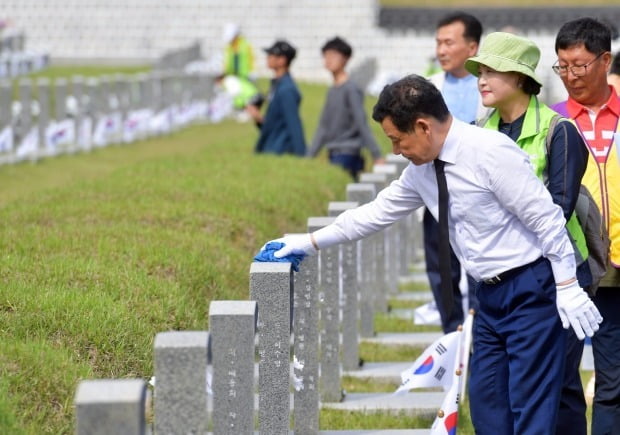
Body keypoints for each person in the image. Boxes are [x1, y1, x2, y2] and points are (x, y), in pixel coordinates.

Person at [259, 74, 602, 434]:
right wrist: (309, 242)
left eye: (397, 139)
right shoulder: (422, 171)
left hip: (532, 289)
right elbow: (375, 213)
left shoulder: (488, 151)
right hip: (488, 296)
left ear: (422, 126)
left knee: (529, 408)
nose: (395, 151)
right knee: (488, 407)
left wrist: (566, 285)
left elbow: (546, 219)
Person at [465, 31, 592, 435]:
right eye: (479, 71)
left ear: (519, 77)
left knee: (561, 387)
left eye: (491, 71)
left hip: (557, 275)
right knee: (498, 394)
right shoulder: (478, 131)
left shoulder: (560, 131)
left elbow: (559, 207)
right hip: (503, 279)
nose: (481, 79)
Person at [552, 17, 620, 434]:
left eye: (579, 65)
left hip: (616, 266)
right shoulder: (553, 120)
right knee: (562, 379)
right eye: (563, 66)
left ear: (605, 60)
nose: (571, 76)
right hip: (568, 268)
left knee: (614, 380)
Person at [424, 11, 486, 333]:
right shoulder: (427, 88)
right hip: (437, 194)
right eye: (438, 42)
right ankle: (453, 333)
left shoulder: (488, 87)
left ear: (472, 48)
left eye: (449, 42)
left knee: (480, 267)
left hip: (477, 195)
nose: (442, 50)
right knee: (440, 269)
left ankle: (481, 331)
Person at [307, 37, 385, 180]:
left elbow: (362, 122)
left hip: (348, 153)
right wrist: (309, 157)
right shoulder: (332, 90)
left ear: (345, 59)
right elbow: (323, 127)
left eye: (333, 56)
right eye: (326, 56)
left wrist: (376, 154)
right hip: (333, 152)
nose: (328, 60)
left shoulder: (351, 89)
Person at [247, 40, 306, 156]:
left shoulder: (287, 89)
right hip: (271, 149)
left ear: (282, 60)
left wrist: (302, 155)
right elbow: (274, 125)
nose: (267, 58)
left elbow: (294, 125)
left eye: (271, 55)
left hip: (279, 151)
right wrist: (259, 118)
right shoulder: (277, 86)